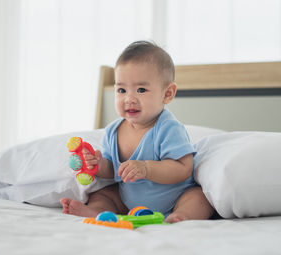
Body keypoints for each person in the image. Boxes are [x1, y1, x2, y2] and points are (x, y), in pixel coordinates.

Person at [61, 41, 214, 223]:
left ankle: (181, 217)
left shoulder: (168, 128)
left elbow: (183, 168)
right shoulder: (113, 131)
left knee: (200, 197)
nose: (129, 99)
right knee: (104, 193)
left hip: (175, 199)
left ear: (167, 94)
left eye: (141, 90)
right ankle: (97, 211)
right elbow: (112, 171)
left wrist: (146, 168)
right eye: (122, 90)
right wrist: (98, 164)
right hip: (129, 204)